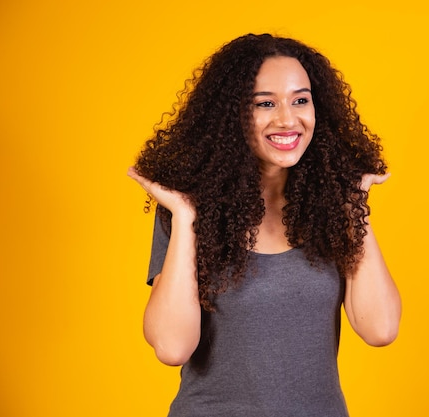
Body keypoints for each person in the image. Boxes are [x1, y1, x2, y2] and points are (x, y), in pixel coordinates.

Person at [128, 33, 401, 417]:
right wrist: (187, 218)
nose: (287, 119)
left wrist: (354, 204)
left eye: (300, 100)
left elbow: (380, 329)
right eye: (265, 104)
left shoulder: (331, 207)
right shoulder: (189, 211)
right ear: (232, 116)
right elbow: (172, 348)